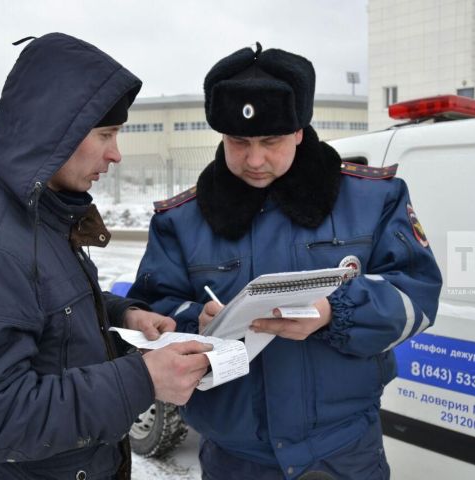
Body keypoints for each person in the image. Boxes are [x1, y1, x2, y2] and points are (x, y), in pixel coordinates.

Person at [127, 43, 442, 480]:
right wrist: (196, 319)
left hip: (342, 454)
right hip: (233, 459)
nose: (255, 160)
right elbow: (151, 309)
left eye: (270, 141)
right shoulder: (181, 220)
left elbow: (418, 297)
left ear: (299, 130)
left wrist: (336, 312)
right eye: (239, 142)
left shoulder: (374, 199)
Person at [0, 33, 211, 480]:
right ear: (55, 130)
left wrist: (123, 315)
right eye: (105, 134)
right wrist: (141, 380)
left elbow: (43, 308)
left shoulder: (33, 212)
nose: (116, 154)